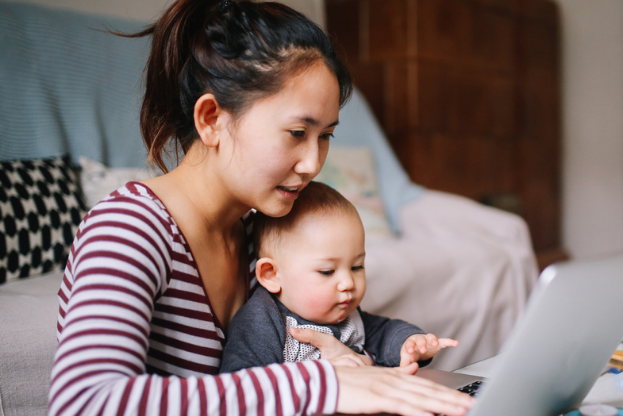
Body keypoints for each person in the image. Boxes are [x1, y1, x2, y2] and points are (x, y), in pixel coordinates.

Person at [48, 1, 473, 415]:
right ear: (212, 118)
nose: (313, 164)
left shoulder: (265, 231)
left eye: (325, 136)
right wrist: (320, 386)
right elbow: (85, 402)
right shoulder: (128, 229)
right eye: (295, 132)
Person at [220, 182, 458, 373]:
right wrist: (319, 375)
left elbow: (384, 332)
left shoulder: (347, 316)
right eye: (327, 271)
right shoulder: (262, 322)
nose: (348, 283)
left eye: (357, 266)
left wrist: (411, 343)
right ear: (272, 275)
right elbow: (244, 386)